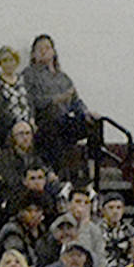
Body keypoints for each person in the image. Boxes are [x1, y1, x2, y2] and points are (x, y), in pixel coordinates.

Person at [22, 34, 98, 180]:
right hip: (44, 121)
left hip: (64, 120)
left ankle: (92, 167)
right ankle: (57, 175)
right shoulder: (29, 74)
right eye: (39, 49)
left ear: (54, 52)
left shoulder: (63, 77)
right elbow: (32, 100)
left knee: (94, 124)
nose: (44, 51)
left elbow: (75, 101)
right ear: (33, 54)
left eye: (47, 48)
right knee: (54, 130)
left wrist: (86, 112)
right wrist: (55, 100)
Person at [0, 44, 33, 146]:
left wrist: (31, 119)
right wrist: (18, 124)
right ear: (0, 63)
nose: (9, 64)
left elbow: (30, 102)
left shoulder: (24, 80)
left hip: (26, 123)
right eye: (5, 61)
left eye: (11, 60)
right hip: (3, 125)